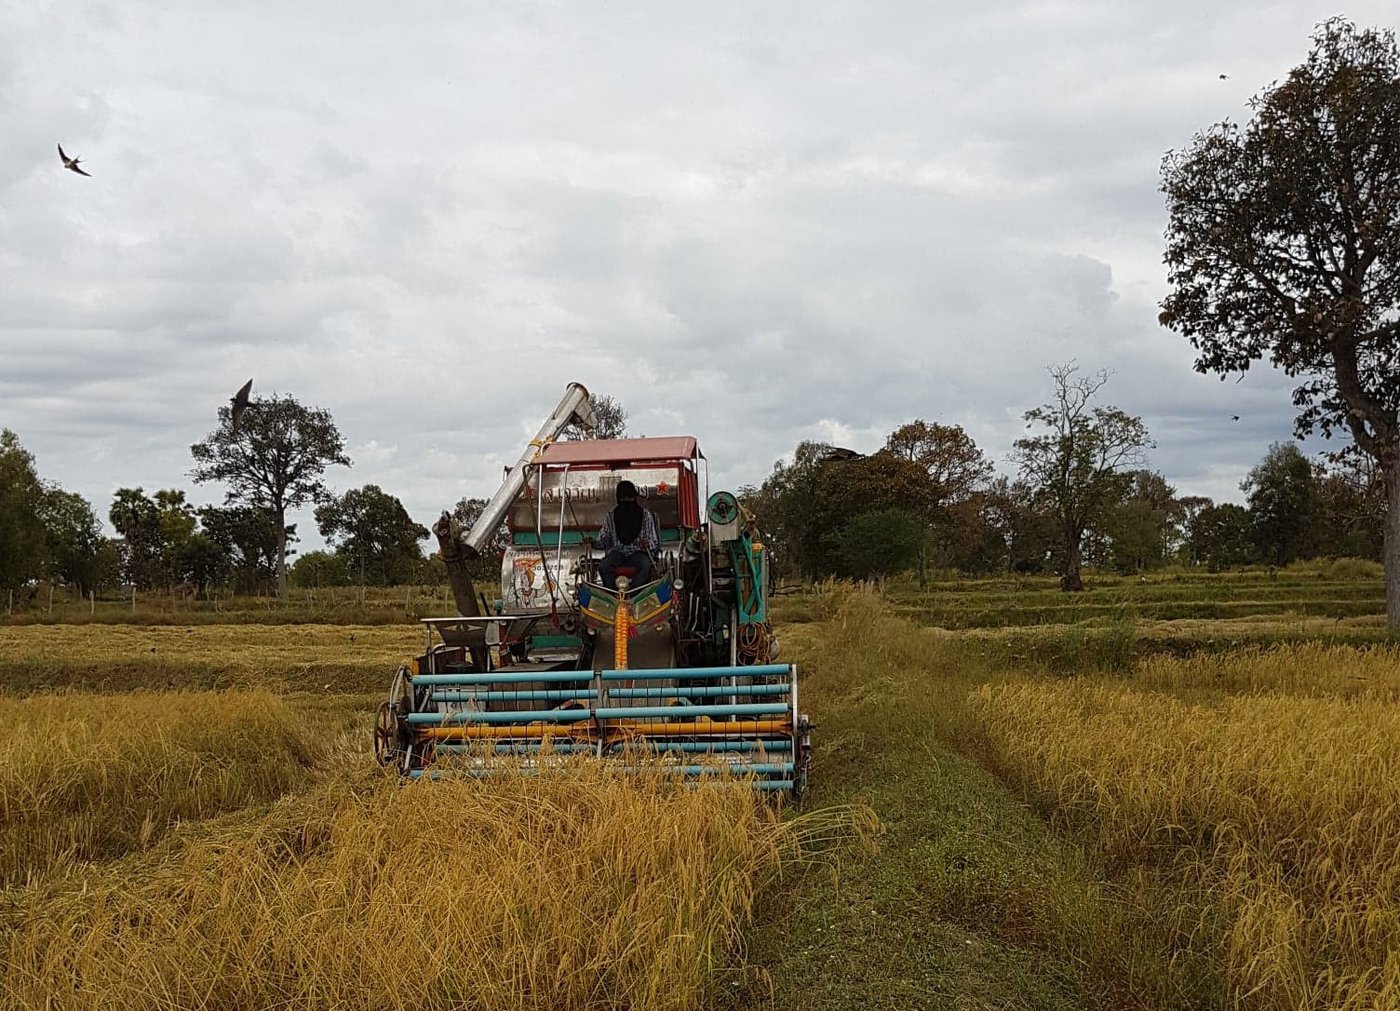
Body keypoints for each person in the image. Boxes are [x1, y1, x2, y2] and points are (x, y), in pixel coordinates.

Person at [596, 479, 658, 590]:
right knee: (604, 566)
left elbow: (653, 541)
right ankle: (612, 594)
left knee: (646, 565)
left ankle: (635, 592)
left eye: (630, 498)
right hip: (617, 553)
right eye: (624, 499)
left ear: (635, 499)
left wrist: (647, 543)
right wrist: (593, 542)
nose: (627, 501)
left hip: (638, 552)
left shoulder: (645, 516)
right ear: (619, 500)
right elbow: (603, 540)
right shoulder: (611, 516)